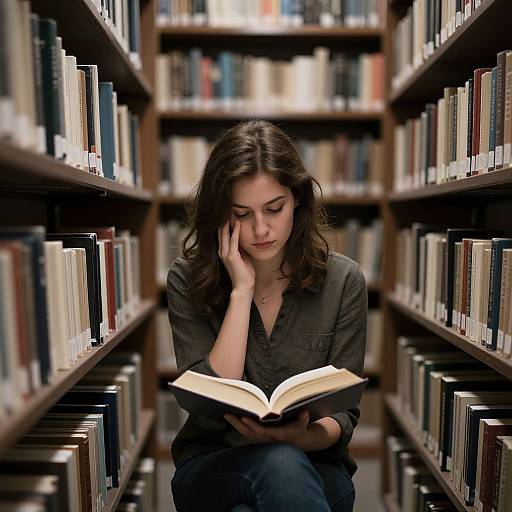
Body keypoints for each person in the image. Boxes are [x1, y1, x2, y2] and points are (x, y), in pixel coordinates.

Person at [167, 120, 368, 512]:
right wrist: (240, 292)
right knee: (276, 467)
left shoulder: (344, 281)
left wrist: (299, 439)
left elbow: (344, 415)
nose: (261, 229)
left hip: (315, 461)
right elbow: (207, 411)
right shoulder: (185, 278)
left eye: (274, 209)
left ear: (298, 200)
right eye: (242, 214)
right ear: (221, 215)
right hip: (213, 462)